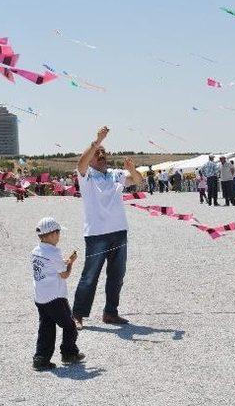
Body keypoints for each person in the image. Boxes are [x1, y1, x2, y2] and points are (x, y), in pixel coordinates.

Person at [72, 126, 143, 330]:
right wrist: (97, 141)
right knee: (90, 276)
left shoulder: (114, 174)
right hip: (96, 234)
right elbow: (80, 164)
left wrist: (132, 170)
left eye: (103, 152)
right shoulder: (86, 176)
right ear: (91, 158)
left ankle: (110, 312)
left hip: (119, 231)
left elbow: (137, 181)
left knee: (117, 275)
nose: (101, 155)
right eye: (97, 153)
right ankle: (77, 314)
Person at [31, 217, 84, 371]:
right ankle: (69, 353)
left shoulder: (35, 251)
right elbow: (64, 275)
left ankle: (40, 359)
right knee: (69, 325)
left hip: (41, 297)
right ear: (52, 234)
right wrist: (71, 263)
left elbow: (52, 266)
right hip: (55, 297)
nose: (59, 236)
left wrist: (65, 261)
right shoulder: (54, 252)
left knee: (46, 327)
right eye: (58, 233)